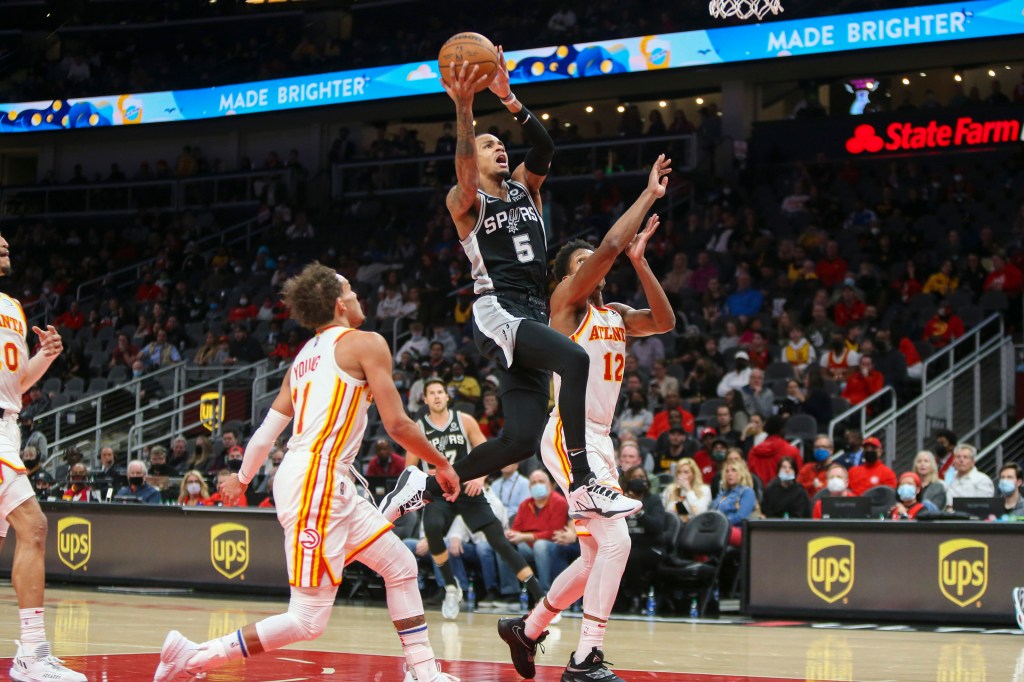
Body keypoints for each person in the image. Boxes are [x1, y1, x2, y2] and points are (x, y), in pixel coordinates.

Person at [154, 264, 460, 682]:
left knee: (401, 564)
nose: (358, 297)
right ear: (338, 303)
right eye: (351, 291)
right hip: (317, 478)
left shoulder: (301, 360)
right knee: (308, 619)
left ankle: (423, 671)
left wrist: (242, 480)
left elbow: (266, 433)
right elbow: (397, 425)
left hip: (319, 477)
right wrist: (441, 462)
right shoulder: (366, 343)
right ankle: (195, 656)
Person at [382, 53, 636, 525]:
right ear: (472, 159)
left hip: (533, 315)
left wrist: (509, 98)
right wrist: (464, 107)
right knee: (575, 359)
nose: (499, 148)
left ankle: (422, 488)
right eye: (488, 145)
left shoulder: (524, 188)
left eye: (501, 144)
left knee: (520, 440)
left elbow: (544, 147)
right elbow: (463, 170)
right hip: (498, 310)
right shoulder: (465, 201)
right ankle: (584, 483)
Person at [499, 160, 674, 682]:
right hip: (569, 435)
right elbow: (610, 246)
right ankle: (585, 658)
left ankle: (527, 628)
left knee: (596, 554)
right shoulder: (566, 304)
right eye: (581, 264)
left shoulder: (614, 313)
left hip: (600, 438)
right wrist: (648, 196)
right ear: (567, 277)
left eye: (591, 263)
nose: (592, 269)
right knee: (618, 542)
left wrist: (640, 261)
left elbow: (664, 321)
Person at [0, 235, 85, 680]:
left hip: (8, 425)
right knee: (33, 526)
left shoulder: (13, 306)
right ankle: (32, 654)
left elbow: (17, 383)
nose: (5, 244)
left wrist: (45, 357)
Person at [413, 378, 544, 620]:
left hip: (468, 489)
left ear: (447, 396)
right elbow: (409, 469)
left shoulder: (464, 420)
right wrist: (424, 477)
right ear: (425, 399)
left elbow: (487, 454)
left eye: (440, 391)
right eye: (432, 393)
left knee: (498, 540)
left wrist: (480, 478)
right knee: (431, 527)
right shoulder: (418, 428)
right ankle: (451, 588)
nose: (437, 396)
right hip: (439, 491)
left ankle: (540, 596)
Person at [710, 459, 758, 546]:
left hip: (737, 530)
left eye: (734, 470)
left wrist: (720, 523)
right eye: (727, 471)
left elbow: (741, 517)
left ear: (741, 473)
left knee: (710, 534)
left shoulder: (746, 492)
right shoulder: (723, 493)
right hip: (718, 527)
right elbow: (712, 510)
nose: (729, 474)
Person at [746, 415, 802, 486]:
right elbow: (799, 477)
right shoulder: (792, 451)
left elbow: (749, 477)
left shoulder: (753, 452)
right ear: (782, 430)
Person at [944, 444, 994, 509]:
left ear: (973, 462)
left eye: (965, 457)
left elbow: (983, 506)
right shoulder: (949, 477)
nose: (961, 460)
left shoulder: (982, 480)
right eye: (958, 457)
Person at [661, 457, 711, 523]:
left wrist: (688, 490)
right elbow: (664, 512)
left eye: (686, 472)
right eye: (679, 472)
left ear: (694, 474)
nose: (682, 475)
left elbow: (699, 514)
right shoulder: (671, 489)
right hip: (673, 524)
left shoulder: (704, 489)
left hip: (695, 525)